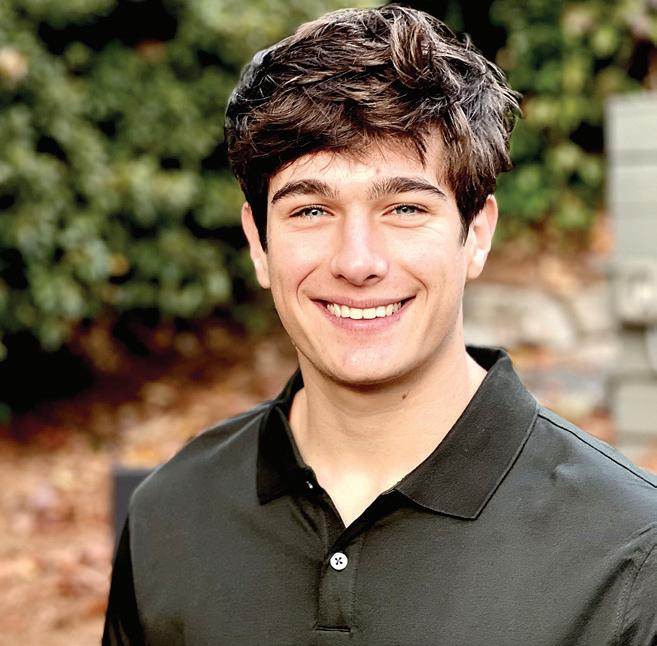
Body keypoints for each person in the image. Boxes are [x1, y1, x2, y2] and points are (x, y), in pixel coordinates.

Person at [103, 6, 657, 645]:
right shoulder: (170, 513)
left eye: (405, 208)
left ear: (476, 234)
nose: (358, 261)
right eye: (311, 210)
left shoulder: (631, 555)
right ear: (258, 242)